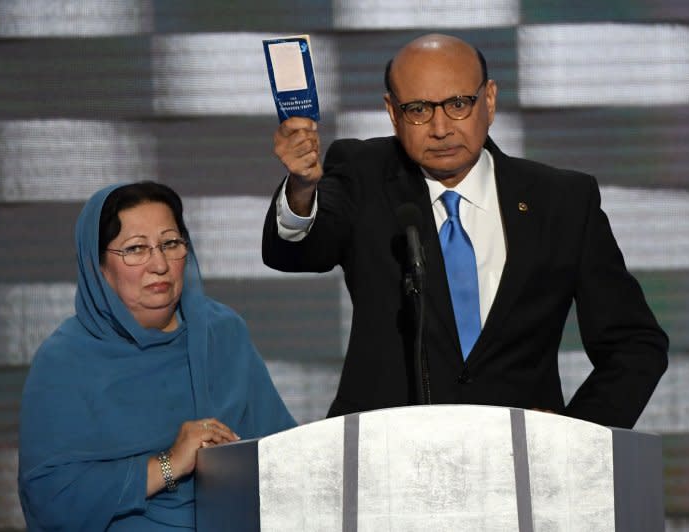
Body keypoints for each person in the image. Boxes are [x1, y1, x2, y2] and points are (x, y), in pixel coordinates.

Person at [262, 33, 668, 429]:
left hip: (521, 468)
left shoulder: (562, 200)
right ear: (392, 112)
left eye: (458, 104)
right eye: (419, 109)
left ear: (488, 99)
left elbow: (634, 344)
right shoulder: (363, 172)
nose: (440, 128)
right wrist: (302, 188)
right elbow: (298, 251)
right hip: (384, 463)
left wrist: (575, 435)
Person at [18, 181, 296, 531]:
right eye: (136, 249)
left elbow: (284, 453)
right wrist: (170, 463)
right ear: (98, 267)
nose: (160, 264)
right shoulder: (65, 361)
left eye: (170, 243)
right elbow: (50, 500)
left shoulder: (222, 333)